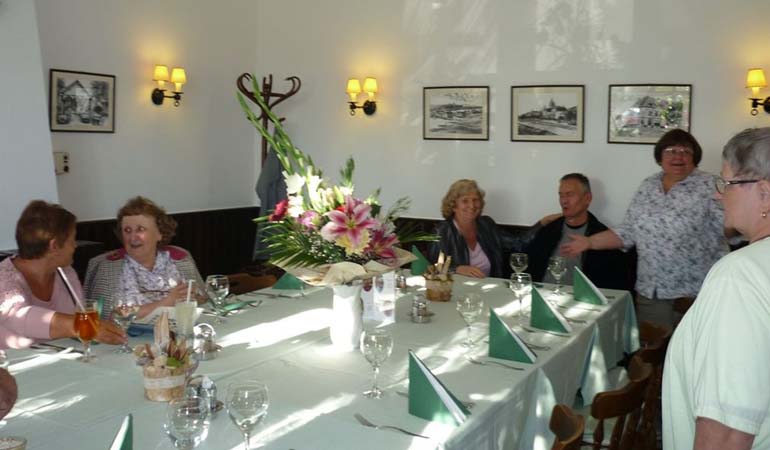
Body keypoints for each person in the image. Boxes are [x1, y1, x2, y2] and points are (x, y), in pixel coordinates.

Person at [663, 127, 770, 450]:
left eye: (726, 183)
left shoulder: (739, 276)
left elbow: (726, 433)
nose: (717, 195)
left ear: (764, 193)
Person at [562, 129, 729, 328]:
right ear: (660, 156)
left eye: (686, 151)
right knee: (651, 346)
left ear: (695, 157)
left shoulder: (711, 185)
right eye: (671, 151)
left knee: (693, 346)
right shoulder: (648, 185)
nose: (678, 156)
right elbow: (628, 231)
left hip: (694, 295)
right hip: (650, 293)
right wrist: (589, 242)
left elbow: (731, 227)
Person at [0, 200, 125, 349]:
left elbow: (81, 315)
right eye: (72, 240)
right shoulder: (4, 277)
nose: (75, 246)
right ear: (54, 246)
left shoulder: (65, 272)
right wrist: (80, 325)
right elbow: (18, 317)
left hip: (65, 357)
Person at [84, 196, 205, 320]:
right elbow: (107, 316)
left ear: (160, 233)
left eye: (140, 229)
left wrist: (194, 296)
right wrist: (168, 302)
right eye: (127, 230)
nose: (133, 237)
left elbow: (204, 300)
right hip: (126, 332)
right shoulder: (107, 267)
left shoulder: (180, 258)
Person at [429, 179, 554, 278]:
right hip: (454, 291)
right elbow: (433, 268)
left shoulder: (486, 225)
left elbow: (518, 244)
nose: (472, 205)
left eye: (475, 200)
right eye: (465, 201)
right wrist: (457, 269)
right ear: (453, 205)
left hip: (490, 289)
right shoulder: (442, 231)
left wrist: (543, 222)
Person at [526, 173, 630, 289]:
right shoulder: (549, 230)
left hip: (579, 298)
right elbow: (528, 264)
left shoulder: (601, 237)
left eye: (569, 195)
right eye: (561, 195)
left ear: (587, 198)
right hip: (542, 293)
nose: (564, 201)